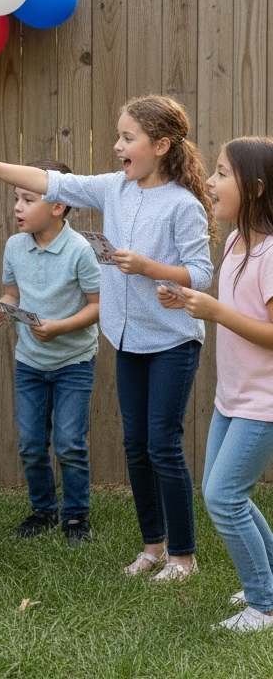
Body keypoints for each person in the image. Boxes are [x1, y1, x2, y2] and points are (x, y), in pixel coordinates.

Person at [0, 94, 215, 582]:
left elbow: (201, 273)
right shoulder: (114, 189)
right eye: (119, 135)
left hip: (172, 341)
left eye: (128, 138)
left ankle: (183, 556)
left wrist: (148, 268)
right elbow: (50, 182)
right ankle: (152, 547)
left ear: (162, 145)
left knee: (162, 446)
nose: (117, 145)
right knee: (135, 445)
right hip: (126, 339)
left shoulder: (184, 204)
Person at [160, 138, 273, 631]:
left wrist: (216, 311)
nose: (210, 181)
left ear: (257, 188)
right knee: (227, 493)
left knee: (224, 498)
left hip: (264, 402)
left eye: (223, 173)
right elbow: (231, 306)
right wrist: (189, 298)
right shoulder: (232, 242)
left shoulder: (271, 254)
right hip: (233, 396)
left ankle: (263, 604)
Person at [0, 159, 100, 545]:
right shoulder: (14, 246)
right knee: (31, 444)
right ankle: (43, 510)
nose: (17, 207)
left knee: (70, 443)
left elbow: (98, 305)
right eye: (15, 198)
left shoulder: (80, 250)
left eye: (28, 199)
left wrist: (60, 328)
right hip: (29, 364)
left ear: (58, 206)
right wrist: (2, 308)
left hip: (74, 363)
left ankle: (75, 517)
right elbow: (12, 294)